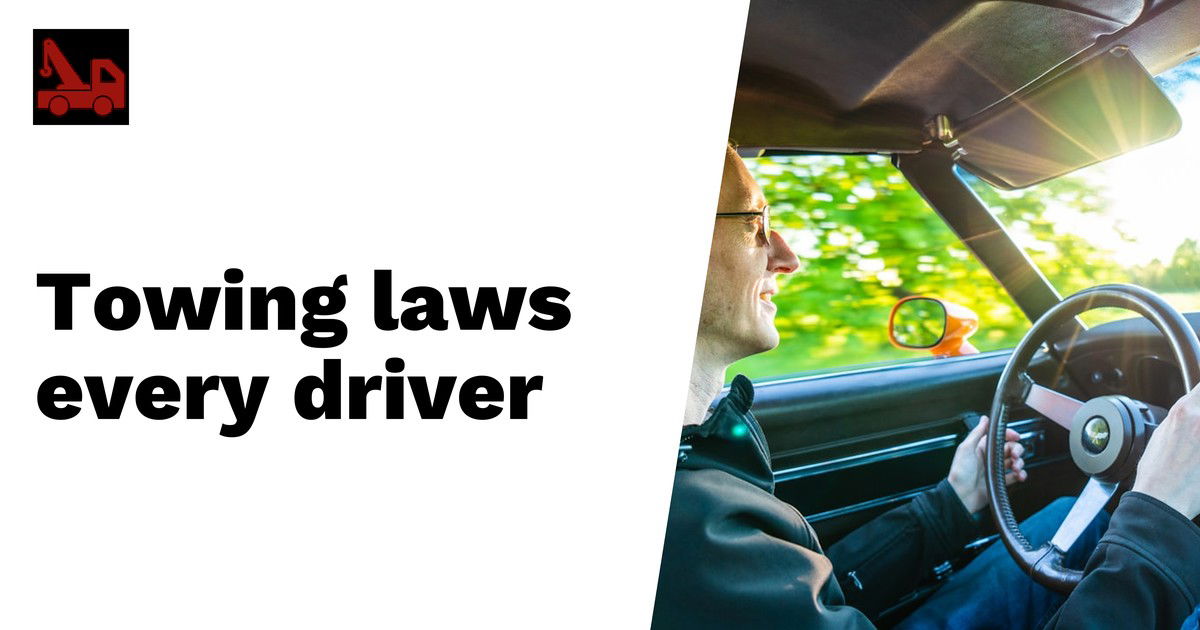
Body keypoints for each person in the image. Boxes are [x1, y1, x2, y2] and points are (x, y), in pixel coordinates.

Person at [650, 145, 1200, 629]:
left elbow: (811, 595)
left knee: (1066, 521)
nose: (788, 257)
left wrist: (952, 503)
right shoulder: (688, 528)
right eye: (755, 225)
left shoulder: (697, 467)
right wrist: (1157, 519)